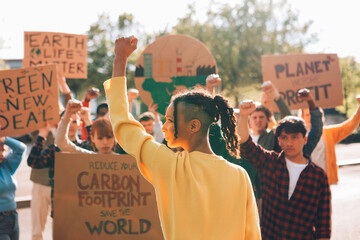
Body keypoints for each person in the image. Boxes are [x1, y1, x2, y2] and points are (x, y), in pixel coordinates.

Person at [104, 36, 260, 240]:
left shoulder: (169, 166)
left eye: (170, 119)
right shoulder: (239, 175)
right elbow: (252, 235)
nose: (165, 126)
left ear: (194, 126)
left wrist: (120, 59)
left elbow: (123, 124)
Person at [238, 100, 331, 240]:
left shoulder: (317, 176)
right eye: (284, 137)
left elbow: (323, 225)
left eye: (294, 137)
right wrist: (244, 116)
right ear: (279, 141)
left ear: (304, 139)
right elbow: (245, 144)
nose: (289, 143)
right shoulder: (269, 163)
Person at [310, 94, 360, 184]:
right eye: (308, 114)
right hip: (306, 183)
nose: (311, 117)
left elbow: (349, 126)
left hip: (324, 182)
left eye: (315, 113)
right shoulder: (297, 135)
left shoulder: (329, 133)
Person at [0, 133, 27, 240]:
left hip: (13, 217)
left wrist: (4, 139)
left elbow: (21, 149)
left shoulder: (7, 166)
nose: (1, 153)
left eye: (3, 150)